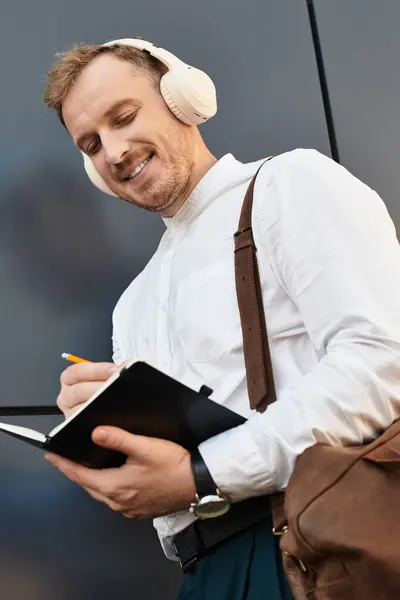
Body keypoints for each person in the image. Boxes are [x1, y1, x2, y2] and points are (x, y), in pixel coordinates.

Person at [42, 37, 400, 599]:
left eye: (124, 116)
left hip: (304, 548)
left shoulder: (292, 184)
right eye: (91, 143)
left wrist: (203, 474)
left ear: (182, 98)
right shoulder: (132, 302)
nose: (112, 152)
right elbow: (167, 479)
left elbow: (382, 365)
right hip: (202, 574)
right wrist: (108, 428)